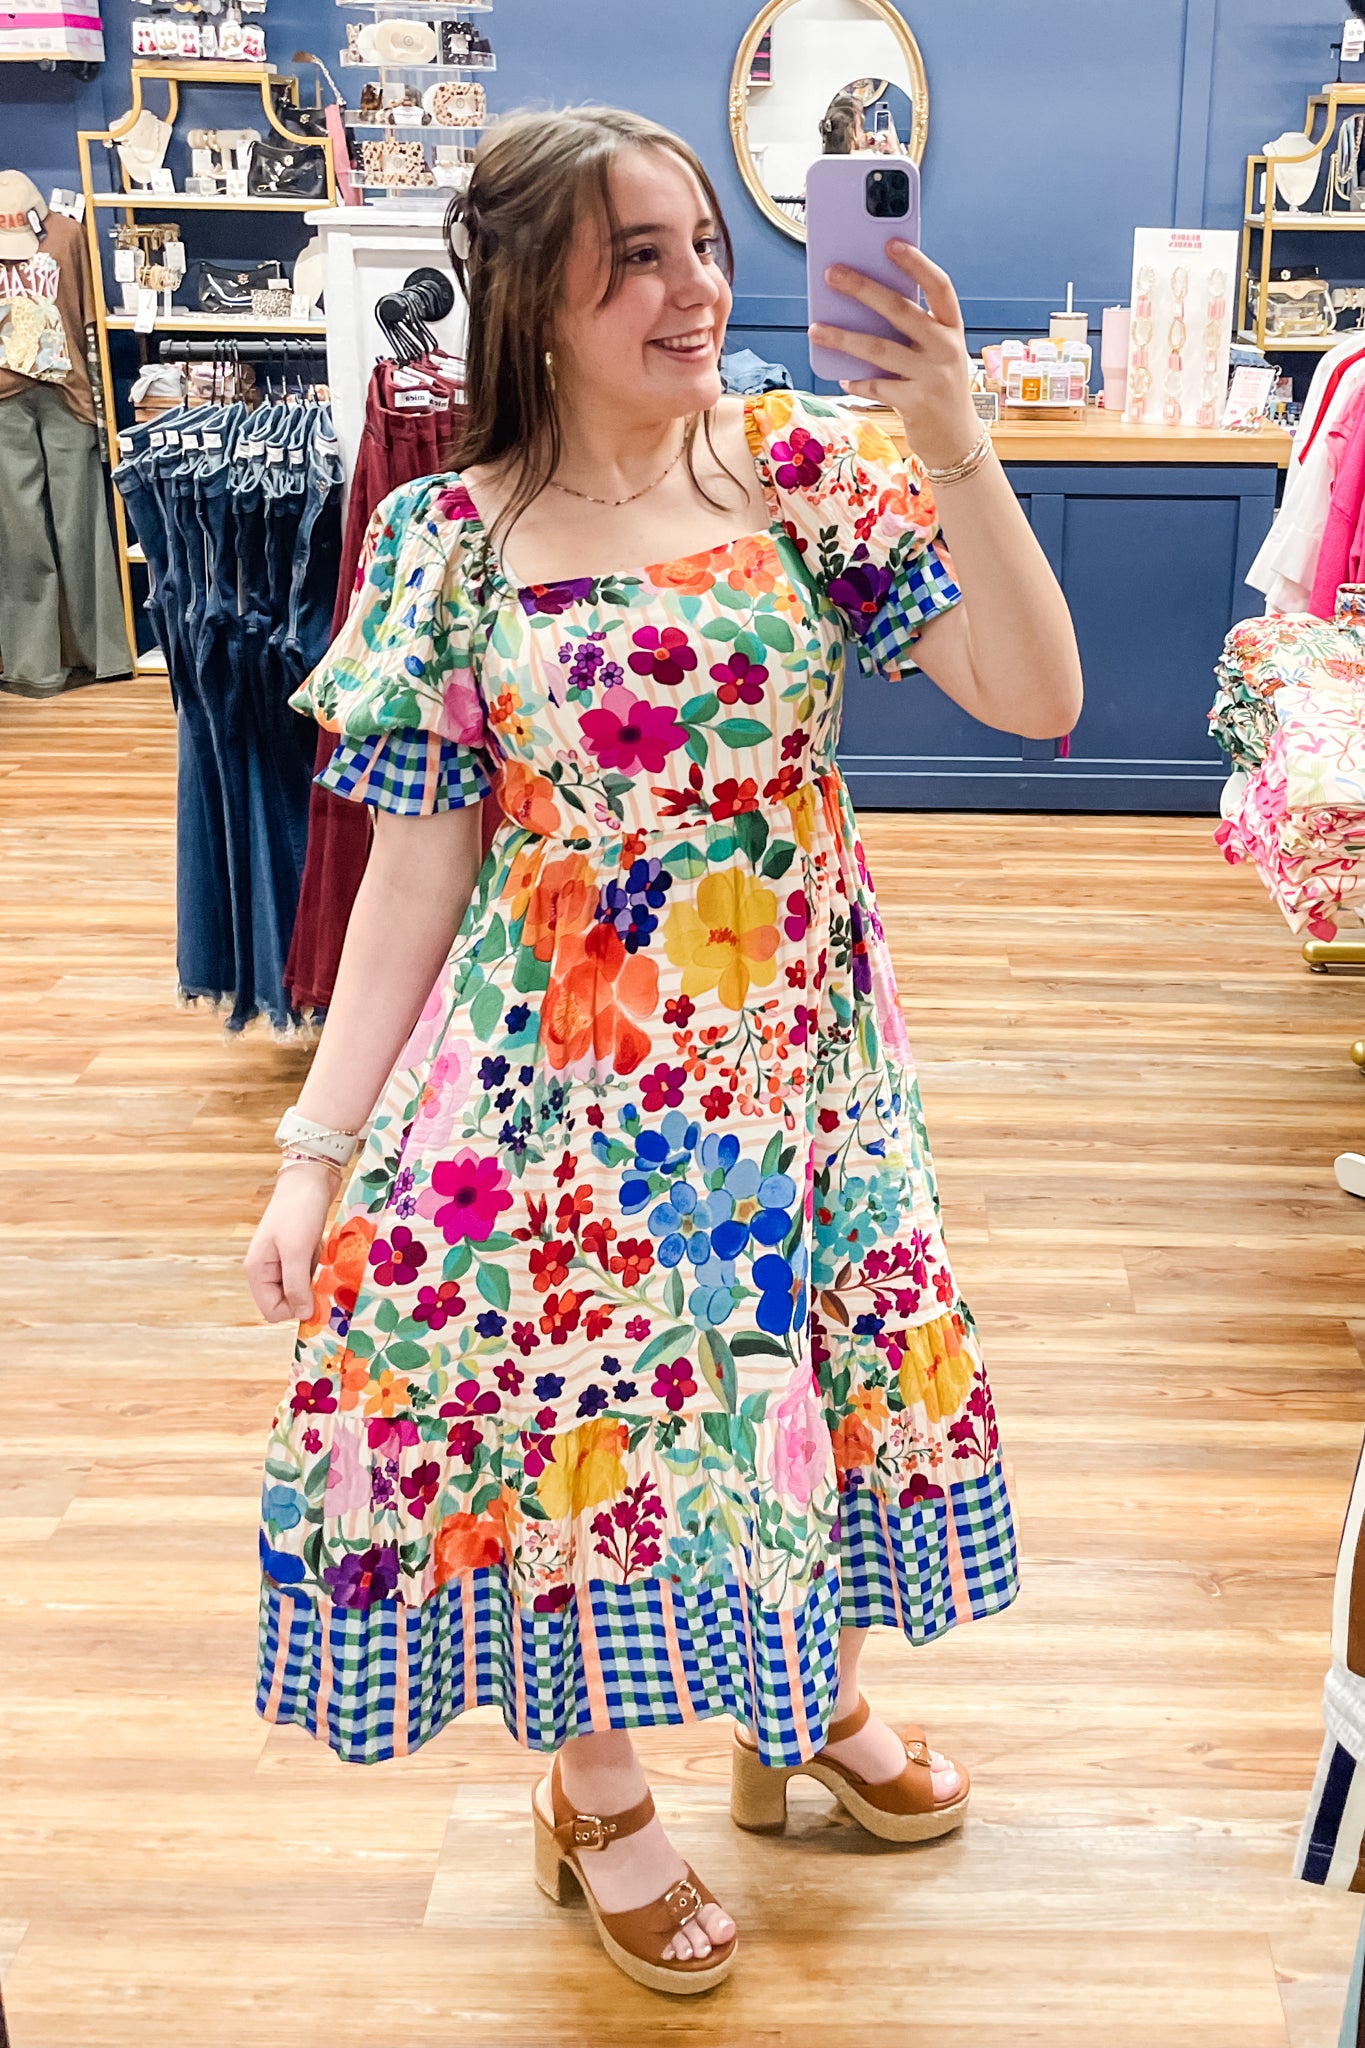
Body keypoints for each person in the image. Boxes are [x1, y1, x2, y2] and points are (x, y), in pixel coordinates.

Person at [246, 103, 1082, 1996]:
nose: (695, 287)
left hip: (801, 1050)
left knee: (816, 1375)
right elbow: (409, 876)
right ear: (527, 302)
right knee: (600, 1419)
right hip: (571, 1082)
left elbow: (1038, 695)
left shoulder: (803, 466)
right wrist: (315, 1154)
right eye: (633, 256)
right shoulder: (449, 540)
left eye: (701, 242)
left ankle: (808, 1711)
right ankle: (596, 1789)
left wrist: (949, 426)